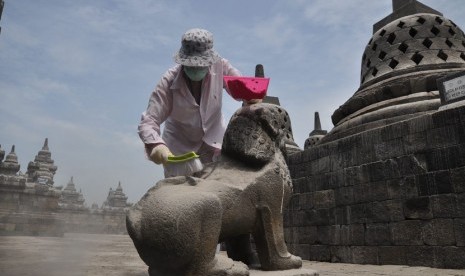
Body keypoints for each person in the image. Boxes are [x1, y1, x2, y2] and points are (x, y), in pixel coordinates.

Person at [138, 28, 258, 177]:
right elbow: (149, 120)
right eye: (191, 65)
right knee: (180, 194)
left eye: (201, 65)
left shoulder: (221, 67)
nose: (196, 69)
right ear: (183, 62)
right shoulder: (168, 81)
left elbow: (240, 87)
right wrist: (156, 145)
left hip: (213, 143)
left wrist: (250, 95)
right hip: (180, 150)